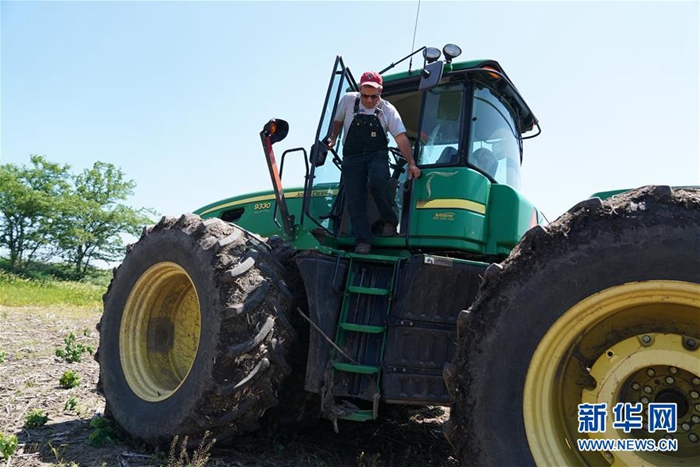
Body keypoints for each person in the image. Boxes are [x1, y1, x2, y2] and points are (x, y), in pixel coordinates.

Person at [327, 71, 421, 254]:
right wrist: (333, 138)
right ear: (359, 90)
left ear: (380, 92)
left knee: (379, 181)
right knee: (354, 197)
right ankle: (363, 240)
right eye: (365, 96)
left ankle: (389, 221)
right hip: (352, 155)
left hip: (376, 153)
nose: (369, 100)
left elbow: (400, 138)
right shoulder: (347, 101)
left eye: (373, 97)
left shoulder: (388, 110)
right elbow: (338, 121)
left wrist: (411, 163)